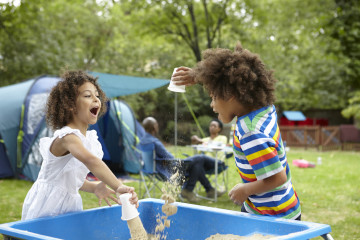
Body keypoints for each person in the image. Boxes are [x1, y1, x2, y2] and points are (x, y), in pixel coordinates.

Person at [171, 42, 301, 220]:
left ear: (229, 95)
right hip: (275, 207)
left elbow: (277, 178)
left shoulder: (250, 132)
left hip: (274, 217)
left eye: (213, 97)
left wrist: (246, 189)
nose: (212, 105)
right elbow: (232, 84)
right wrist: (200, 76)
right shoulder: (264, 110)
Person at [22, 70, 138, 220]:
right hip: (47, 206)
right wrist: (118, 186)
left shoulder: (87, 139)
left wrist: (94, 187)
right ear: (70, 104)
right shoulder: (67, 137)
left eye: (97, 95)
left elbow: (70, 179)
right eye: (88, 96)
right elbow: (92, 161)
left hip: (70, 206)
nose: (96, 99)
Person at [140, 117, 226, 203]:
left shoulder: (143, 141)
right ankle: (194, 189)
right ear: (155, 127)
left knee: (197, 164)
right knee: (200, 158)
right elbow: (170, 157)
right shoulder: (155, 142)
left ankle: (198, 190)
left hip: (151, 170)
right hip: (168, 169)